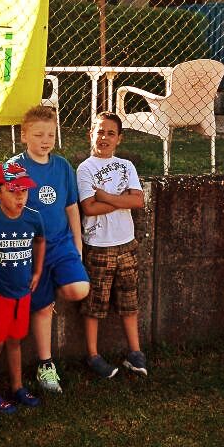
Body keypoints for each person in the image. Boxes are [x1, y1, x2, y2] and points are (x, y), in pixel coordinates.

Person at [4, 105, 89, 393]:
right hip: (30, 251)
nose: (45, 140)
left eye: (51, 134)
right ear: (24, 135)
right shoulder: (14, 168)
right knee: (41, 309)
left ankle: (53, 284)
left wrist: (77, 244)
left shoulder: (63, 166)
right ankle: (45, 364)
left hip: (61, 243)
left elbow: (71, 207)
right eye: (39, 134)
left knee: (78, 289)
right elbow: (0, 210)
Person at [76, 112, 148, 379]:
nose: (104, 137)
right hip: (99, 245)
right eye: (99, 132)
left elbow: (138, 201)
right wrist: (121, 198)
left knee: (130, 300)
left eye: (110, 133)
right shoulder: (85, 168)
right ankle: (93, 354)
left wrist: (105, 195)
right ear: (91, 135)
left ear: (119, 138)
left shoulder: (126, 165)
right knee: (95, 303)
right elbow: (89, 207)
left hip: (126, 244)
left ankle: (135, 352)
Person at [0, 162, 46, 412]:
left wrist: (37, 271)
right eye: (13, 190)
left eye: (24, 191)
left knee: (16, 340)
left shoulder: (33, 217)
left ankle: (17, 386)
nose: (20, 196)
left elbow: (40, 241)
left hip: (22, 292)